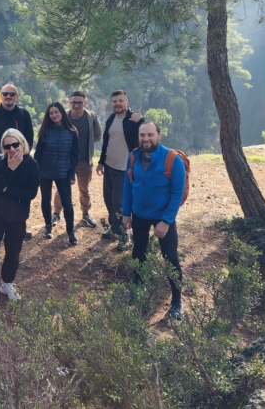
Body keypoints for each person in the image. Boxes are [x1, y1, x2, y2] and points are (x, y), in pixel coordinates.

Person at [123, 121, 186, 320]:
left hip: (162, 216)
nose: (146, 139)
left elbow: (177, 193)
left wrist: (166, 221)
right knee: (138, 252)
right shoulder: (133, 157)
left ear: (159, 136)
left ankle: (177, 300)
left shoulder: (172, 159)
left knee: (170, 258)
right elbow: (128, 187)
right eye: (142, 135)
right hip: (139, 214)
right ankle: (137, 287)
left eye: (150, 134)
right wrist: (126, 213)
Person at [0, 129, 39, 303]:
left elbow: (30, 193)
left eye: (15, 144)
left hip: (17, 216)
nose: (12, 149)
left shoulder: (31, 164)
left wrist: (6, 189)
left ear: (22, 144)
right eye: (7, 146)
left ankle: (7, 282)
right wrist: (10, 169)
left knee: (13, 251)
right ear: (3, 147)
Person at [97, 89, 144, 251]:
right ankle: (114, 227)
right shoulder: (111, 119)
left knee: (120, 204)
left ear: (127, 102)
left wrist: (141, 121)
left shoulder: (133, 119)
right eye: (115, 101)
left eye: (121, 101)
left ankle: (125, 235)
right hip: (110, 167)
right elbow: (106, 142)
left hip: (124, 169)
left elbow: (150, 134)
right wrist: (101, 162)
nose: (117, 104)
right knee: (108, 199)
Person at [52, 91, 102, 230]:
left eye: (80, 102)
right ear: (70, 103)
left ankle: (85, 213)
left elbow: (98, 135)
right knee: (61, 188)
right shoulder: (64, 116)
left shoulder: (91, 117)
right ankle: (56, 213)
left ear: (85, 103)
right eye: (74, 102)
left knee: (84, 189)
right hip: (65, 161)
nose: (76, 105)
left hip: (85, 160)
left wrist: (87, 144)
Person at [33, 103, 81, 244]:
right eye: (51, 113)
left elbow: (75, 155)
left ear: (62, 113)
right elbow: (38, 153)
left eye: (56, 112)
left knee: (67, 203)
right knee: (45, 199)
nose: (54, 115)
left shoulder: (72, 132)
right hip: (45, 171)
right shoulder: (45, 131)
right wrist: (35, 171)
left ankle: (70, 231)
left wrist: (72, 174)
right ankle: (48, 226)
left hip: (63, 172)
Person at [0, 83, 35, 154]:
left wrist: (24, 155)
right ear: (1, 96)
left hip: (20, 159)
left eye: (12, 94)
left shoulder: (24, 114)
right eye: (5, 94)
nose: (8, 96)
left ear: (17, 97)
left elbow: (29, 138)